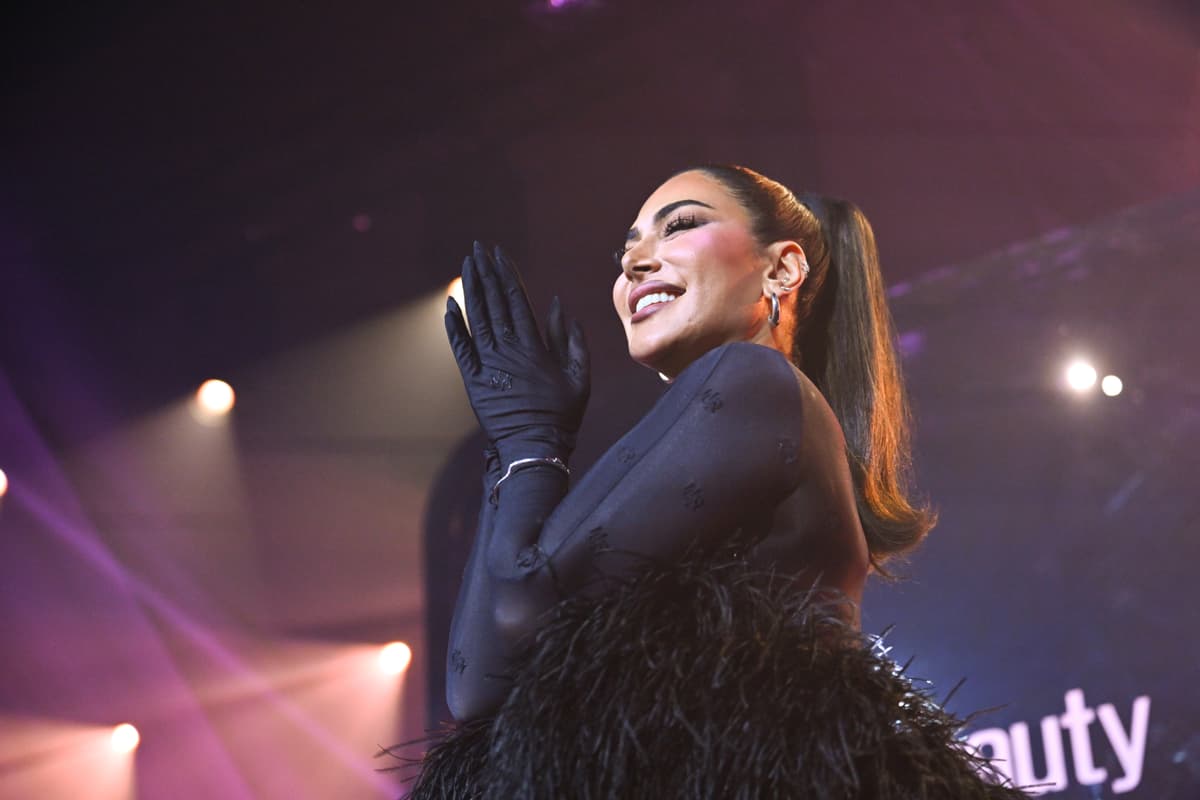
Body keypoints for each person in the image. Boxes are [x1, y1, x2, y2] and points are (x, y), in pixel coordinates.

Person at [403, 165, 1025, 798]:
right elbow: (479, 690)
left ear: (782, 269)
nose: (634, 263)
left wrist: (530, 444)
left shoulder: (752, 380)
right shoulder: (752, 409)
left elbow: (513, 626)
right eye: (626, 250)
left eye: (681, 226)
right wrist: (521, 447)